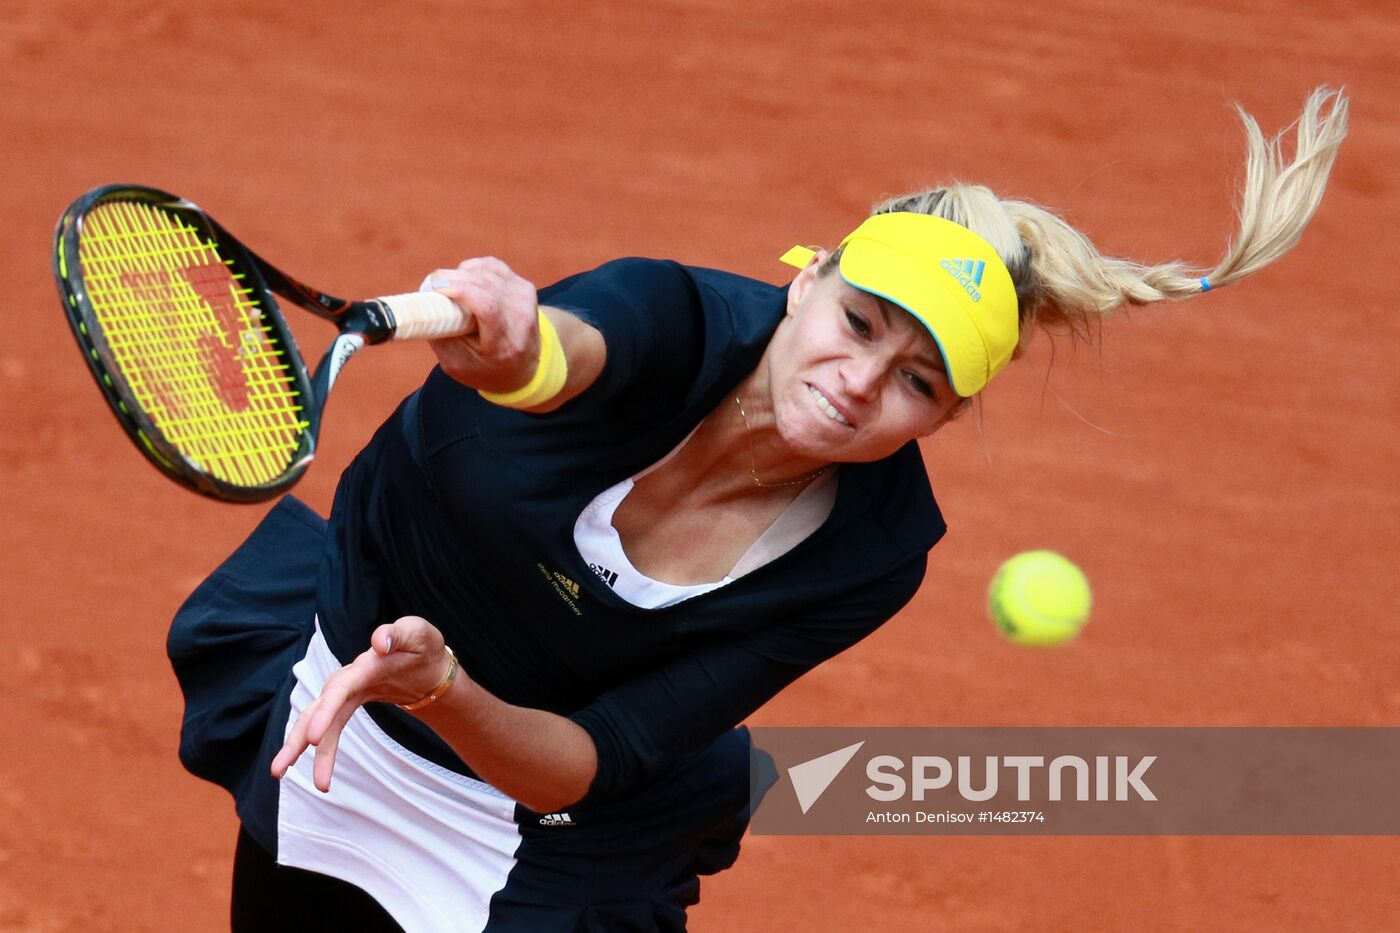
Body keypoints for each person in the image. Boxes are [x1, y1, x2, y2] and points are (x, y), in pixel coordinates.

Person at [167, 87, 1347, 931]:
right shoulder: (666, 314)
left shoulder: (872, 553)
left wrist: (441, 684)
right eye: (861, 324)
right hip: (337, 716)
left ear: (939, 422)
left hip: (541, 824)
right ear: (806, 278)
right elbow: (565, 355)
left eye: (916, 384)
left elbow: (586, 762)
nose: (858, 385)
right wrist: (513, 350)